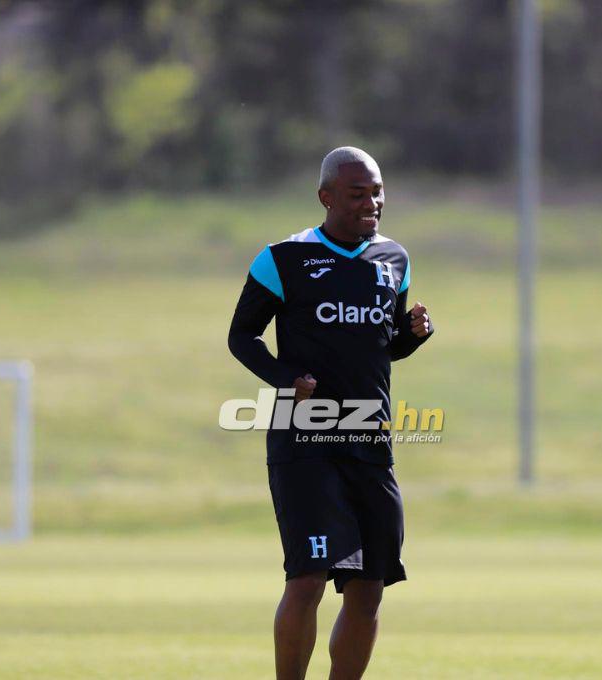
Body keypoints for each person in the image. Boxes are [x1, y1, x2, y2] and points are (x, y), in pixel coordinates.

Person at [228, 146, 433, 680]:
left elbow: (382, 345)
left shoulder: (394, 259)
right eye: (358, 194)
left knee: (369, 589)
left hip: (370, 441)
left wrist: (411, 337)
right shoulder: (283, 258)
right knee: (308, 580)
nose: (373, 203)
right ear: (325, 197)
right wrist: (285, 381)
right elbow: (241, 336)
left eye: (378, 192)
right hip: (304, 442)